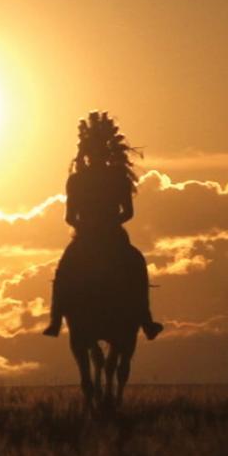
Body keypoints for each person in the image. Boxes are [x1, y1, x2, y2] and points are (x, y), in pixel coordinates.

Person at [42, 111, 162, 340]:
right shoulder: (76, 180)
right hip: (86, 236)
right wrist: (86, 227)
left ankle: (146, 320)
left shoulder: (117, 178)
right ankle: (55, 320)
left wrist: (106, 225)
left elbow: (127, 211)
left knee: (136, 265)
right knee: (64, 270)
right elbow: (69, 216)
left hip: (112, 235)